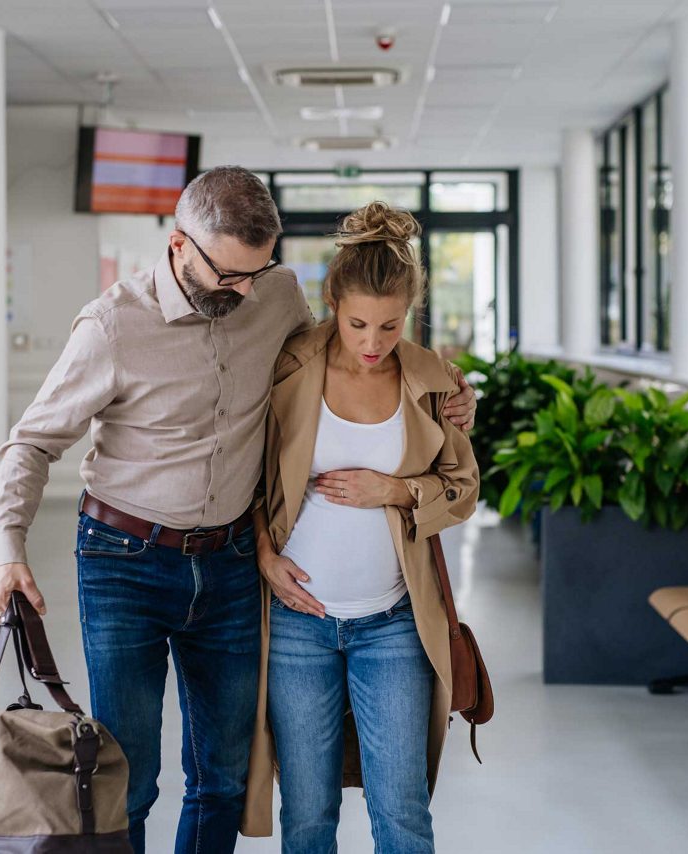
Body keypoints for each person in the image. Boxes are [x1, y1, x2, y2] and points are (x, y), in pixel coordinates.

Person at [0, 167, 476, 854]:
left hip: (230, 565)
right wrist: (6, 548)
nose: (243, 291)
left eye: (257, 272)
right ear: (180, 245)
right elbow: (31, 442)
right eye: (229, 276)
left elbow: (334, 364)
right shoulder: (113, 326)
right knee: (131, 774)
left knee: (220, 773)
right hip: (126, 560)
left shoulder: (274, 295)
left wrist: (450, 400)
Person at [241, 202, 479, 853]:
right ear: (332, 304)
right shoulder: (288, 370)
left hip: (395, 623)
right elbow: (249, 478)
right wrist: (264, 553)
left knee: (402, 811)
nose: (372, 342)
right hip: (298, 624)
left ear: (411, 312)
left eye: (389, 325)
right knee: (309, 814)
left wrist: (397, 490)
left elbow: (463, 490)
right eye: (356, 324)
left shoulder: (434, 383)